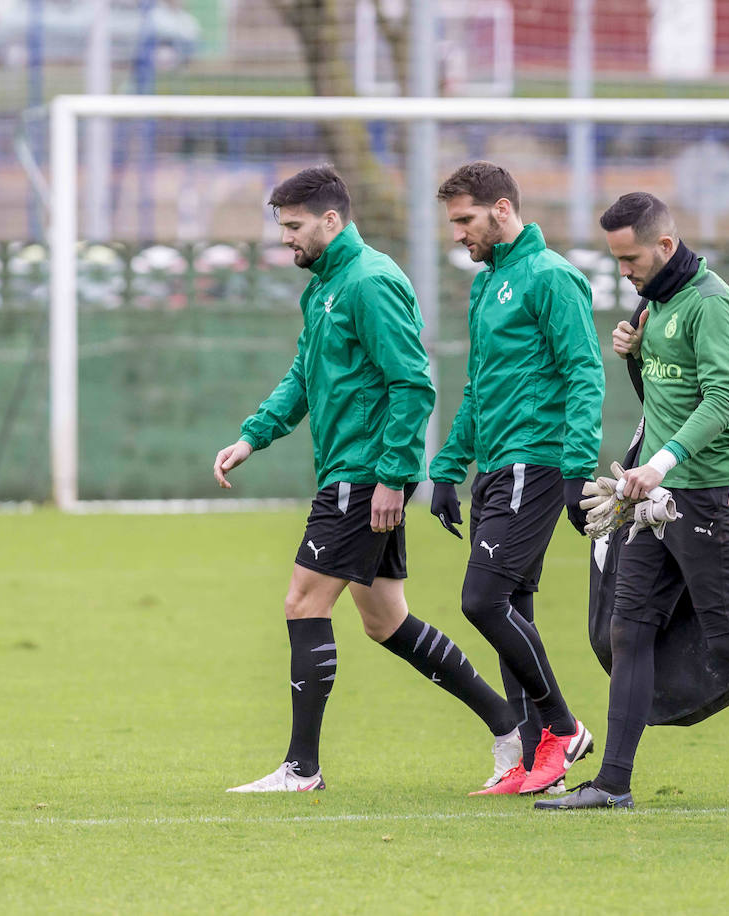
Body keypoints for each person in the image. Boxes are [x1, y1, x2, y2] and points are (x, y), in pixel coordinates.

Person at [536, 192, 729, 812]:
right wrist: (635, 360)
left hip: (704, 495)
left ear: (663, 246)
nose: (623, 271)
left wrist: (659, 464)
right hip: (655, 501)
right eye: (616, 260)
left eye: (630, 258)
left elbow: (721, 402)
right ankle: (613, 783)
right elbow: (662, 401)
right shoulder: (654, 304)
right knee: (630, 630)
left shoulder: (711, 304)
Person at [214, 165, 523, 793]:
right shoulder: (325, 286)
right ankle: (509, 725)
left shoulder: (371, 282)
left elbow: (412, 384)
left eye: (295, 228)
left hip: (363, 476)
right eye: (282, 229)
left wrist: (392, 476)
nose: (286, 241)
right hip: (350, 471)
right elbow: (304, 374)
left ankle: (302, 768)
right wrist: (253, 436)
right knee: (385, 620)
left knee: (303, 602)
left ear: (332, 220)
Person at [429, 161, 605, 796]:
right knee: (513, 607)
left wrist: (576, 469)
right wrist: (447, 470)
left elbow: (586, 373)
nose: (458, 234)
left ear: (502, 210)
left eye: (465, 220)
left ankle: (562, 726)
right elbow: (480, 387)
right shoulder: (487, 286)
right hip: (495, 470)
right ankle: (538, 763)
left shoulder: (553, 277)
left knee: (481, 602)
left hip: (537, 463)